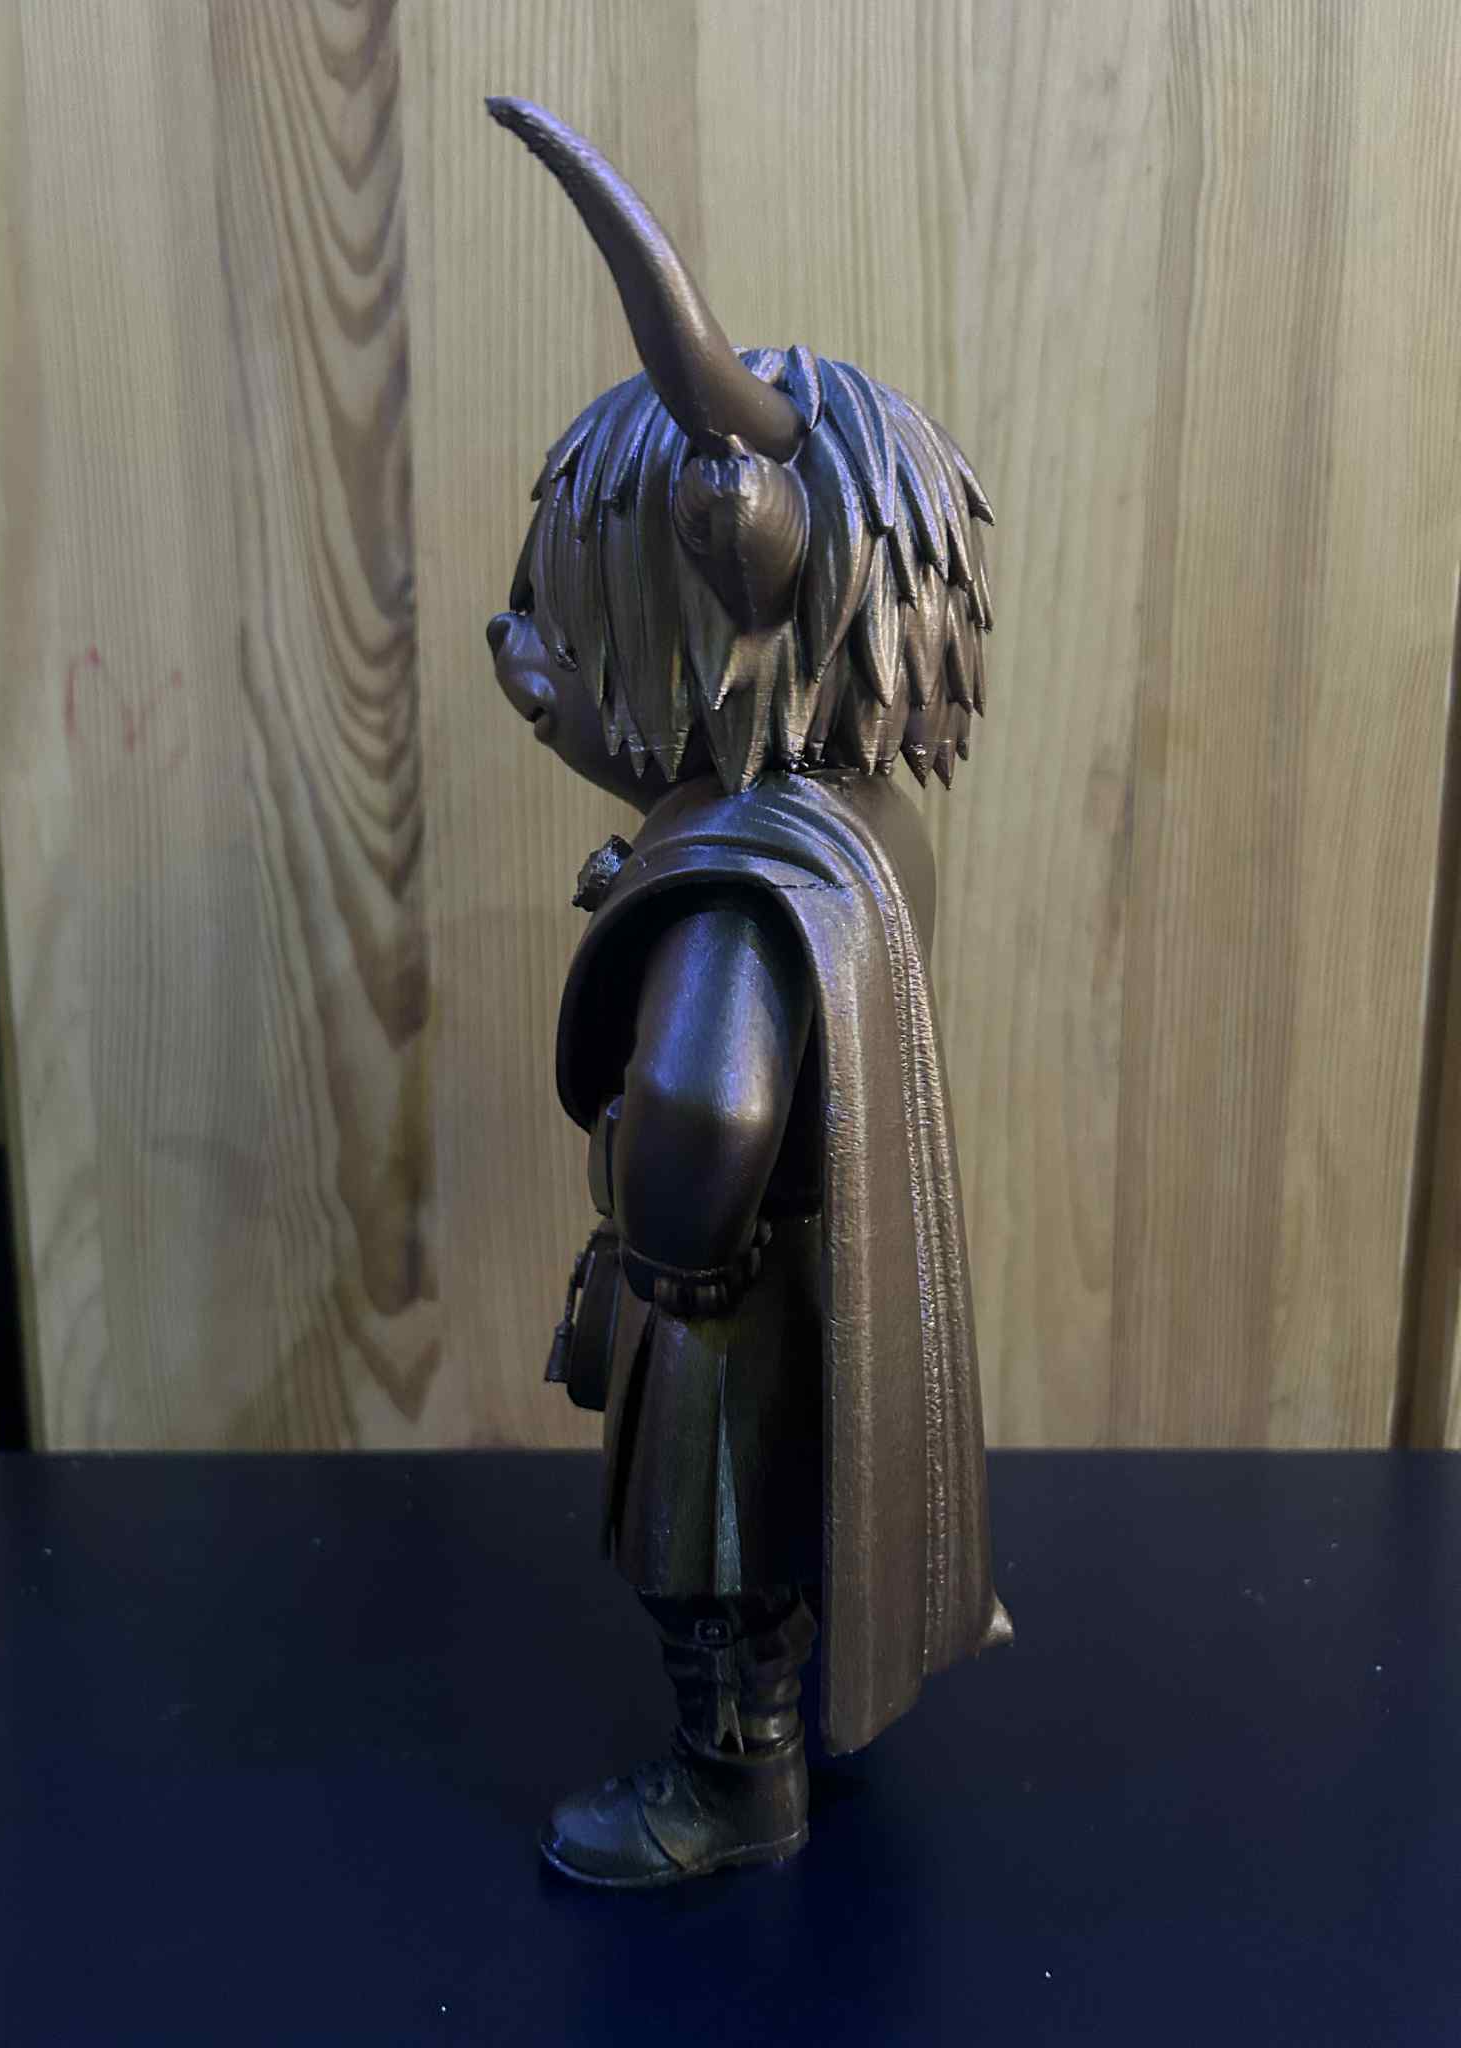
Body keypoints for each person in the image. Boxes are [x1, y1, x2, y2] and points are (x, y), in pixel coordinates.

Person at [485, 98, 1010, 1889]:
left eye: (593, 633)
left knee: (707, 1562)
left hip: (722, 1305)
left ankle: (733, 1789)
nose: (556, 670)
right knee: (782, 1532)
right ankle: (783, 1737)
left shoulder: (740, 879)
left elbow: (710, 1105)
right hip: (816, 1291)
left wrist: (659, 1252)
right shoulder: (855, 828)